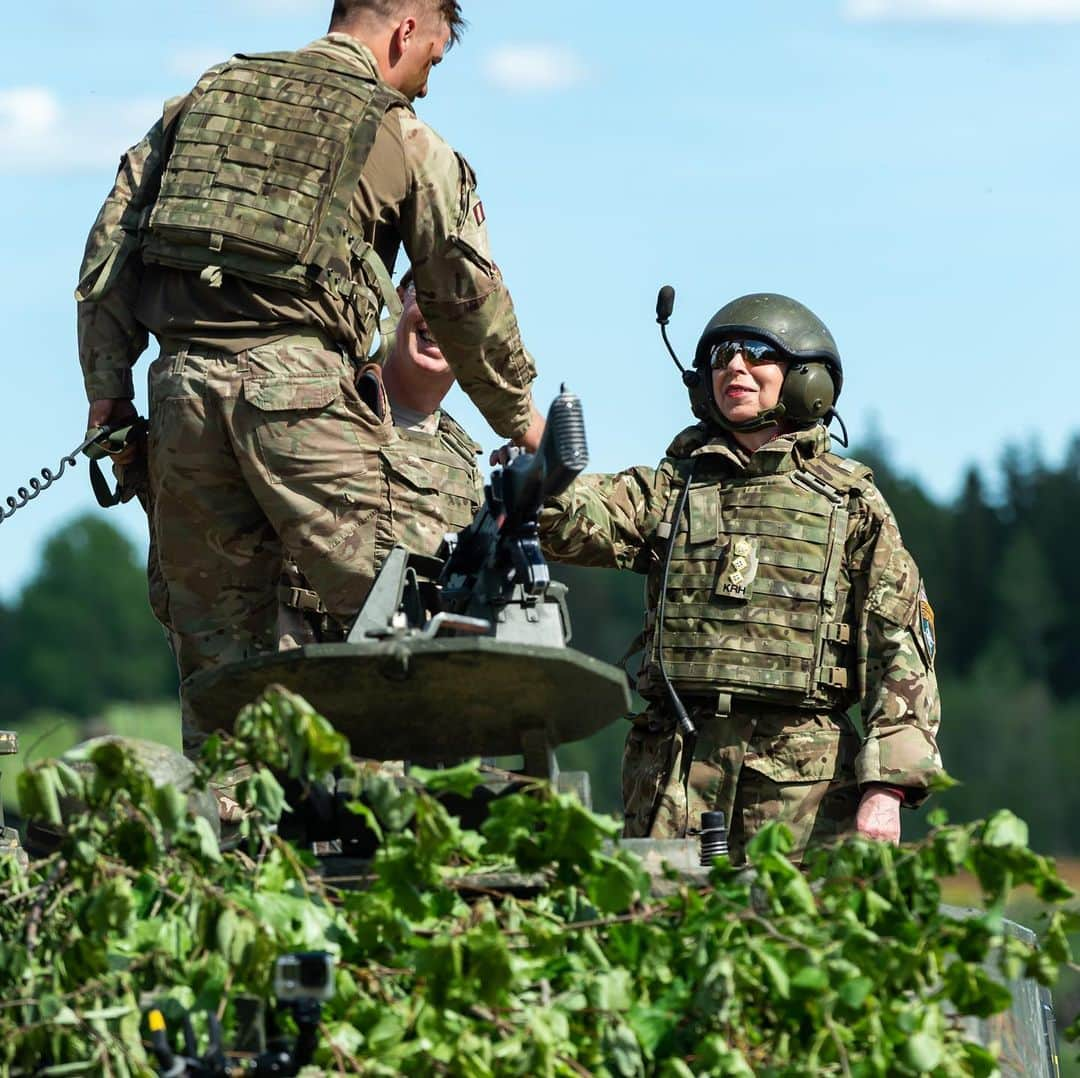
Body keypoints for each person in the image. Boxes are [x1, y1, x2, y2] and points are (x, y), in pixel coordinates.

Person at [74, 0, 544, 741]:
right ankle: (433, 813)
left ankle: (233, 831)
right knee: (420, 605)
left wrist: (107, 395)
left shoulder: (199, 102)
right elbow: (462, 293)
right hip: (298, 391)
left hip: (179, 398)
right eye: (434, 59)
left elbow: (109, 253)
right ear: (407, 31)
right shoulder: (404, 135)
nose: (425, 81)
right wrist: (522, 418)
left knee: (220, 660)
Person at [539, 293, 942, 863]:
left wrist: (886, 788)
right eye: (723, 355)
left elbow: (900, 652)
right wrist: (539, 475)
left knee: (791, 941)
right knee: (662, 932)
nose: (735, 367)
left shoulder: (851, 504)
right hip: (673, 771)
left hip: (800, 785)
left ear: (807, 378)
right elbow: (575, 519)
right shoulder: (671, 487)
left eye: (757, 354)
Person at [277, 268, 483, 647]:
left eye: (467, 306)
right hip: (303, 667)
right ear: (400, 296)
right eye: (430, 292)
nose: (442, 313)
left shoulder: (467, 464)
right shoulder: (323, 410)